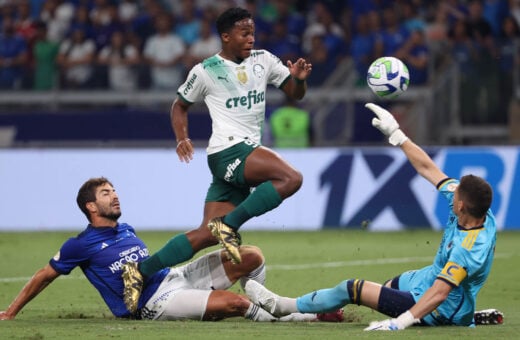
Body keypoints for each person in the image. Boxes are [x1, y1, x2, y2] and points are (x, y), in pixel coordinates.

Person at [120, 6, 312, 314]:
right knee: (291, 178)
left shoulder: (264, 60)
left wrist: (299, 80)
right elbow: (179, 105)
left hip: (244, 151)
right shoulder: (205, 70)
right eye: (243, 33)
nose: (251, 38)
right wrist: (182, 138)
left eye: (252, 32)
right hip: (228, 151)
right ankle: (230, 226)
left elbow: (294, 91)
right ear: (226, 36)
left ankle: (139, 272)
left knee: (206, 233)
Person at [243, 102, 499, 330]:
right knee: (387, 289)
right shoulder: (474, 209)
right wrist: (397, 135)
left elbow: (441, 293)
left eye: (455, 198)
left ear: (463, 206)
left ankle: (282, 306)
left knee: (352, 288)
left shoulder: (469, 249)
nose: (450, 196)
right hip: (428, 277)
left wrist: (399, 322)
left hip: (439, 306)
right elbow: (427, 168)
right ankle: (466, 315)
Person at [0, 177, 341, 323]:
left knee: (252, 255)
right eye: (106, 193)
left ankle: (266, 301)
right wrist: (12, 311)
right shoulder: (79, 244)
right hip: (153, 303)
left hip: (174, 277)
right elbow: (45, 275)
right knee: (237, 303)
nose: (115, 195)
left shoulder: (126, 229)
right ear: (91, 206)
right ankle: (305, 315)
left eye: (115, 190)